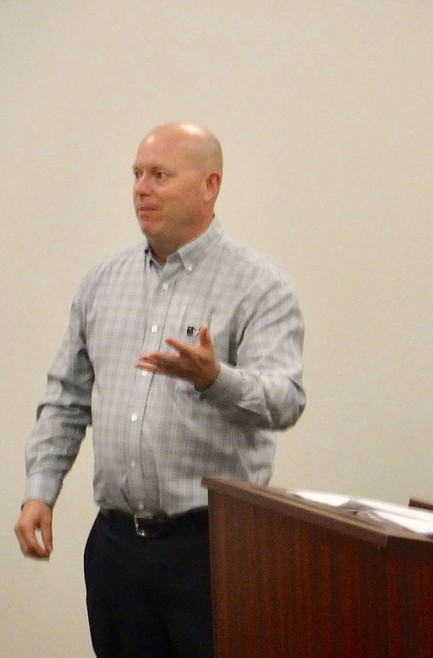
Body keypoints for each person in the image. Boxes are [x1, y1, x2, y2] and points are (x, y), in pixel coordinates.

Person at [14, 122, 306, 658]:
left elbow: (286, 400)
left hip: (213, 552)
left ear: (210, 185)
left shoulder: (260, 287)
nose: (141, 189)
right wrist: (41, 489)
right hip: (117, 550)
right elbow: (66, 398)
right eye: (137, 174)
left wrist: (214, 380)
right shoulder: (103, 282)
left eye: (160, 175)